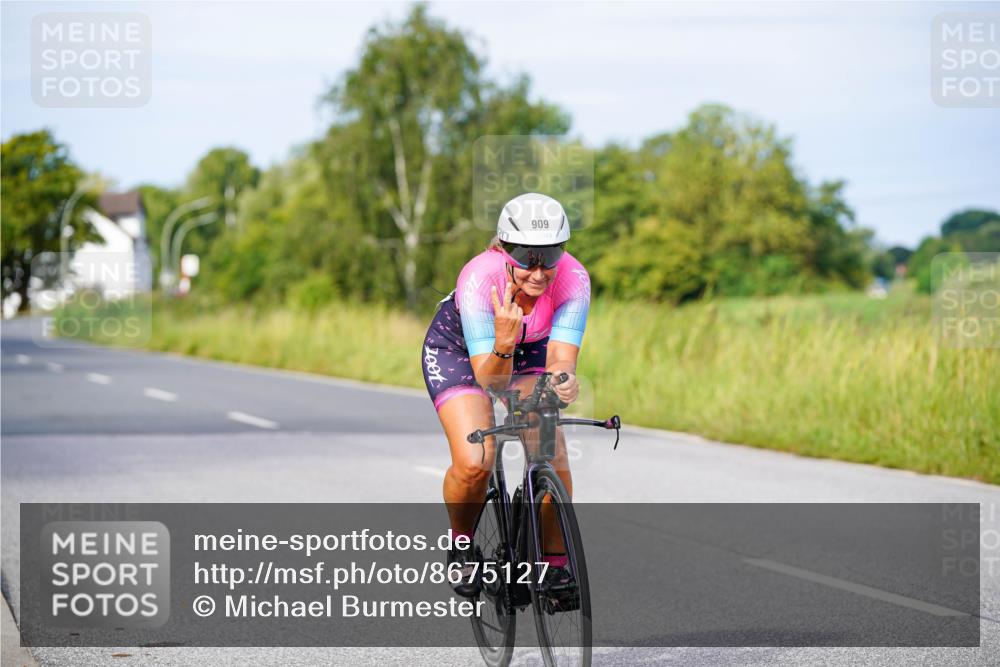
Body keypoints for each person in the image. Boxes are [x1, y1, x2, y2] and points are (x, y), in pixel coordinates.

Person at [421, 192, 591, 597]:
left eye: (549, 256)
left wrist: (563, 380)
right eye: (525, 256)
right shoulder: (480, 278)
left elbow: (560, 359)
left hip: (527, 350)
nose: (538, 271)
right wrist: (502, 342)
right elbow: (491, 379)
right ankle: (461, 545)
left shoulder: (574, 278)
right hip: (463, 351)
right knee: (476, 460)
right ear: (503, 248)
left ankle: (554, 566)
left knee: (550, 449)